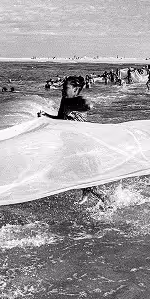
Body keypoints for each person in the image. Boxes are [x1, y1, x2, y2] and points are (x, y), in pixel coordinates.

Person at [37, 76, 106, 208]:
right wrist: (46, 115)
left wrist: (85, 105)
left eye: (66, 88)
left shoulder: (75, 101)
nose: (63, 90)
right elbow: (59, 118)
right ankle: (92, 193)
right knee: (78, 174)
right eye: (63, 87)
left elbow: (88, 104)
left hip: (82, 145)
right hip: (70, 144)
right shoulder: (64, 100)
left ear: (75, 90)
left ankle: (106, 199)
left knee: (80, 175)